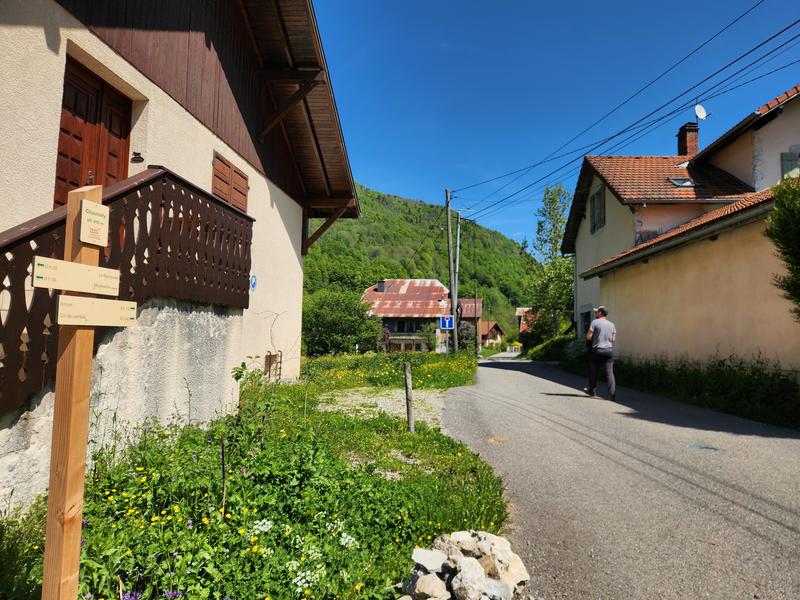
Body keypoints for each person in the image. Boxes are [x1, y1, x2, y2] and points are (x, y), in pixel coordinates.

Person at [583, 306, 616, 400]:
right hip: (608, 351)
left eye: (597, 311)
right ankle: (612, 394)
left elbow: (589, 336)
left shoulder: (595, 322)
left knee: (593, 371)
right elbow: (613, 340)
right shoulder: (612, 324)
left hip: (597, 350)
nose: (595, 313)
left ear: (600, 313)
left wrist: (594, 337)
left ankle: (591, 391)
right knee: (609, 373)